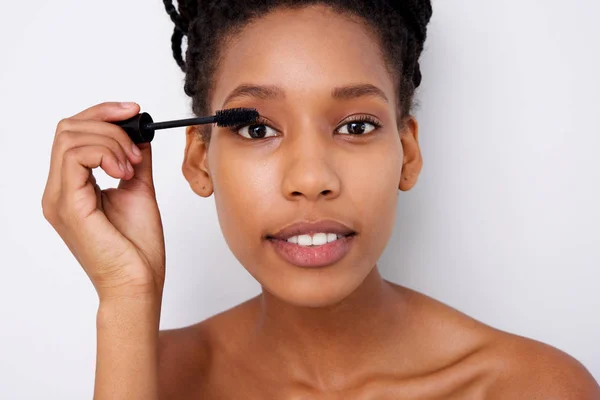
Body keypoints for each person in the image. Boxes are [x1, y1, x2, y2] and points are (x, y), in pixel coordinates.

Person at [42, 1, 600, 398]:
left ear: (406, 152)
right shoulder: (143, 374)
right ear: (198, 159)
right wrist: (125, 296)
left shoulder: (532, 388)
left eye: (356, 126)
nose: (311, 179)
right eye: (258, 130)